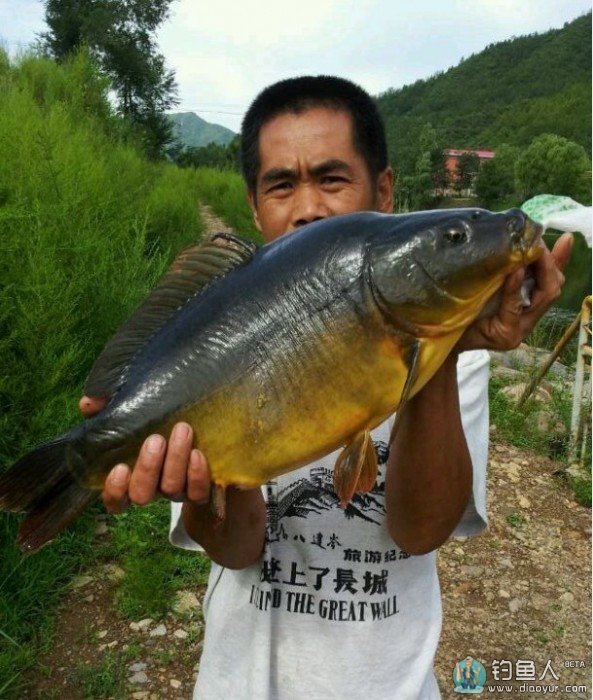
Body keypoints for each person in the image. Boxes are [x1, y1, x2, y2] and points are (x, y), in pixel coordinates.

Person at [80, 76, 571, 698]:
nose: (307, 206)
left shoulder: (460, 357)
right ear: (255, 207)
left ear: (384, 191)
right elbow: (237, 549)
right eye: (281, 184)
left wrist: (441, 359)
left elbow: (421, 533)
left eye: (332, 178)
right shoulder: (215, 342)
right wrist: (196, 486)